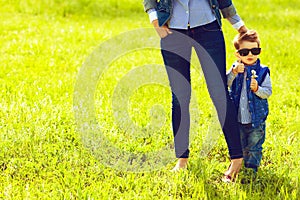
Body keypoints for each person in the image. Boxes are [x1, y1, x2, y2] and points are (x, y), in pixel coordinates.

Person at [143, 0, 247, 178]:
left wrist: (240, 27)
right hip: (173, 30)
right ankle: (182, 159)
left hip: (208, 28)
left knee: (219, 93)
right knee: (180, 96)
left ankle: (236, 158)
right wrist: (155, 22)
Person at [226, 30, 272, 181]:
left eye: (255, 50)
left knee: (254, 145)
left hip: (256, 118)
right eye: (245, 52)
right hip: (238, 117)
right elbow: (225, 83)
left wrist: (257, 89)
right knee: (239, 143)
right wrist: (233, 72)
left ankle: (251, 169)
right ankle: (240, 164)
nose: (250, 55)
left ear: (260, 51)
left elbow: (268, 92)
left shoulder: (263, 71)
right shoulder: (235, 68)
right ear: (237, 54)